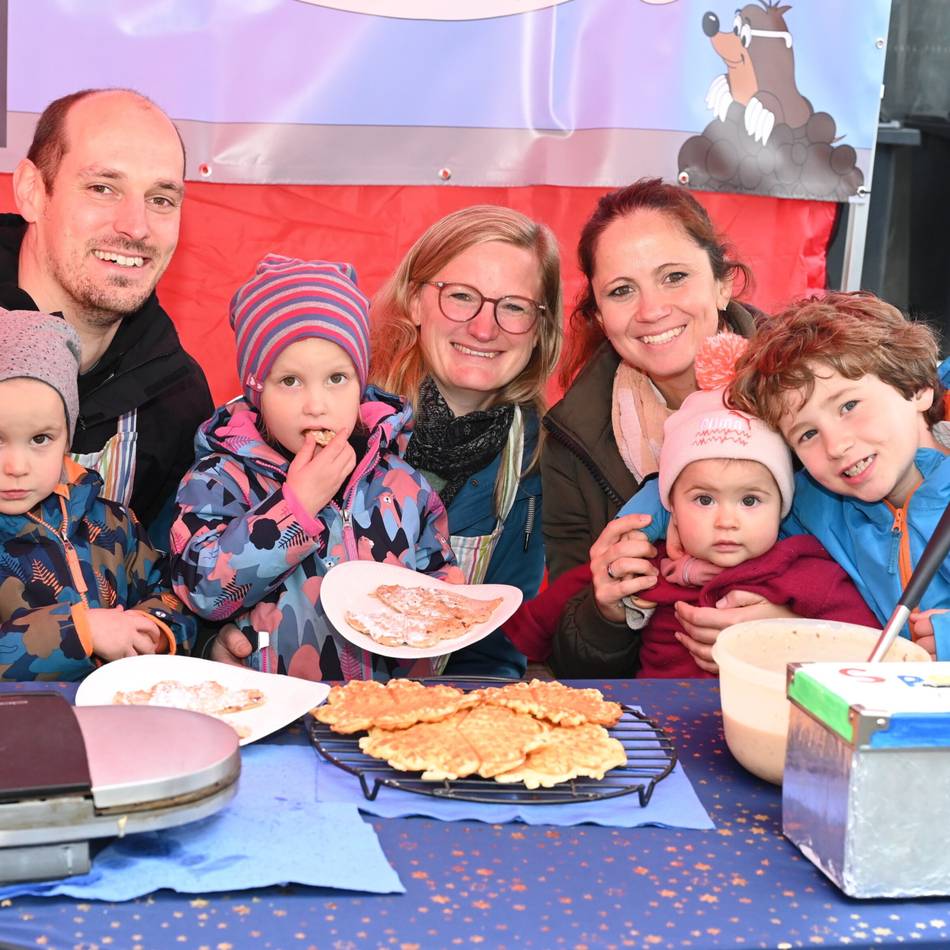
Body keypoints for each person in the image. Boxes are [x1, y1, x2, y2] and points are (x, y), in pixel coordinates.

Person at [169, 255, 462, 681]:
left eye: (336, 378)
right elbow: (204, 592)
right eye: (289, 381)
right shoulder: (219, 481)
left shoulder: (401, 483)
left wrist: (449, 597)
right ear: (256, 391)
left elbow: (437, 578)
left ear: (361, 384)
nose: (316, 404)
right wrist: (295, 507)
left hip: (387, 713)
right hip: (273, 711)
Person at [623, 292, 950, 662]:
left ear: (918, 388)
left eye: (848, 406)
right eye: (807, 434)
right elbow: (727, 476)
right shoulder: (817, 501)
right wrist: (656, 516)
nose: (836, 445)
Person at [540, 178, 763, 677]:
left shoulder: (807, 391)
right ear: (599, 315)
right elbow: (568, 660)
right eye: (622, 291)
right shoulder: (572, 439)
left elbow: (879, 584)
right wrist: (605, 610)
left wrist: (788, 629)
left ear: (723, 283)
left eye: (674, 277)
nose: (651, 310)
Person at [0, 88, 214, 542]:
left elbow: (166, 583)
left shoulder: (177, 400)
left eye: (161, 199)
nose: (135, 226)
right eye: (103, 188)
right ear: (33, 192)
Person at [369, 205, 563, 678]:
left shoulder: (532, 455)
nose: (483, 327)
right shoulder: (335, 412)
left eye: (513, 306)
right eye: (461, 297)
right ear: (415, 301)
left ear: (539, 330)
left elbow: (495, 650)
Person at [619, 334, 879, 677]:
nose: (727, 520)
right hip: (655, 718)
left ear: (782, 507)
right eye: (705, 500)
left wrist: (788, 637)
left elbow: (870, 644)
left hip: (767, 717)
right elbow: (561, 604)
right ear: (674, 510)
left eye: (750, 500)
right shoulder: (650, 560)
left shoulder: (802, 571)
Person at [0, 310, 195, 682]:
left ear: (67, 439)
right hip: (21, 733)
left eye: (40, 439)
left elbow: (172, 593)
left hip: (120, 719)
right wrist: (82, 632)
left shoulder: (112, 521)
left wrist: (152, 630)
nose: (16, 465)